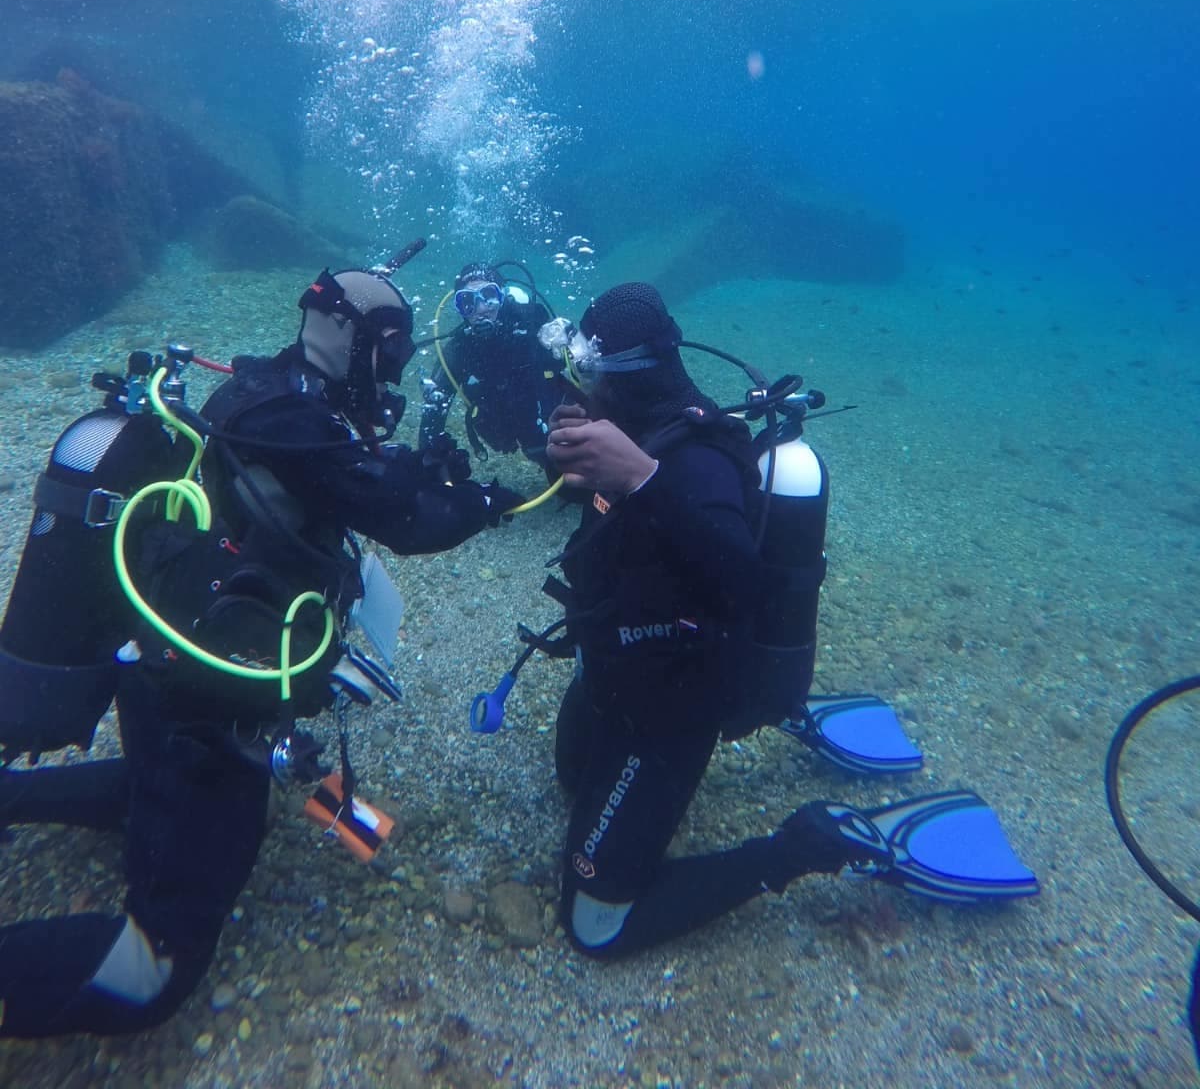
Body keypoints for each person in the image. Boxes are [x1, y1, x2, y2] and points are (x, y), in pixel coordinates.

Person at [0, 261, 521, 1039]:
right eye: (392, 351)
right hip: (206, 701)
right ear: (352, 340)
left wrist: (413, 469)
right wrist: (481, 501)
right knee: (157, 969)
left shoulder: (266, 386)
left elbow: (345, 482)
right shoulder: (301, 424)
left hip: (167, 665)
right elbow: (409, 522)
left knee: (158, 788)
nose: (398, 368)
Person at [543, 282, 1037, 959]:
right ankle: (784, 706)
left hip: (669, 709)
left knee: (595, 927)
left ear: (615, 373)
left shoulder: (692, 460)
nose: (578, 384)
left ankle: (806, 844)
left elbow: (746, 582)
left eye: (584, 370)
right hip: (618, 671)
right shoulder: (637, 430)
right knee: (570, 779)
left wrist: (641, 480)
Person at [418, 261, 571, 478]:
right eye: (467, 302)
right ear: (460, 310)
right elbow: (433, 411)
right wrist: (430, 463)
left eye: (488, 296)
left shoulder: (532, 326)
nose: (481, 309)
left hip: (548, 426)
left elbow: (575, 378)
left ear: (502, 297)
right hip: (507, 429)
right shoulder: (460, 348)